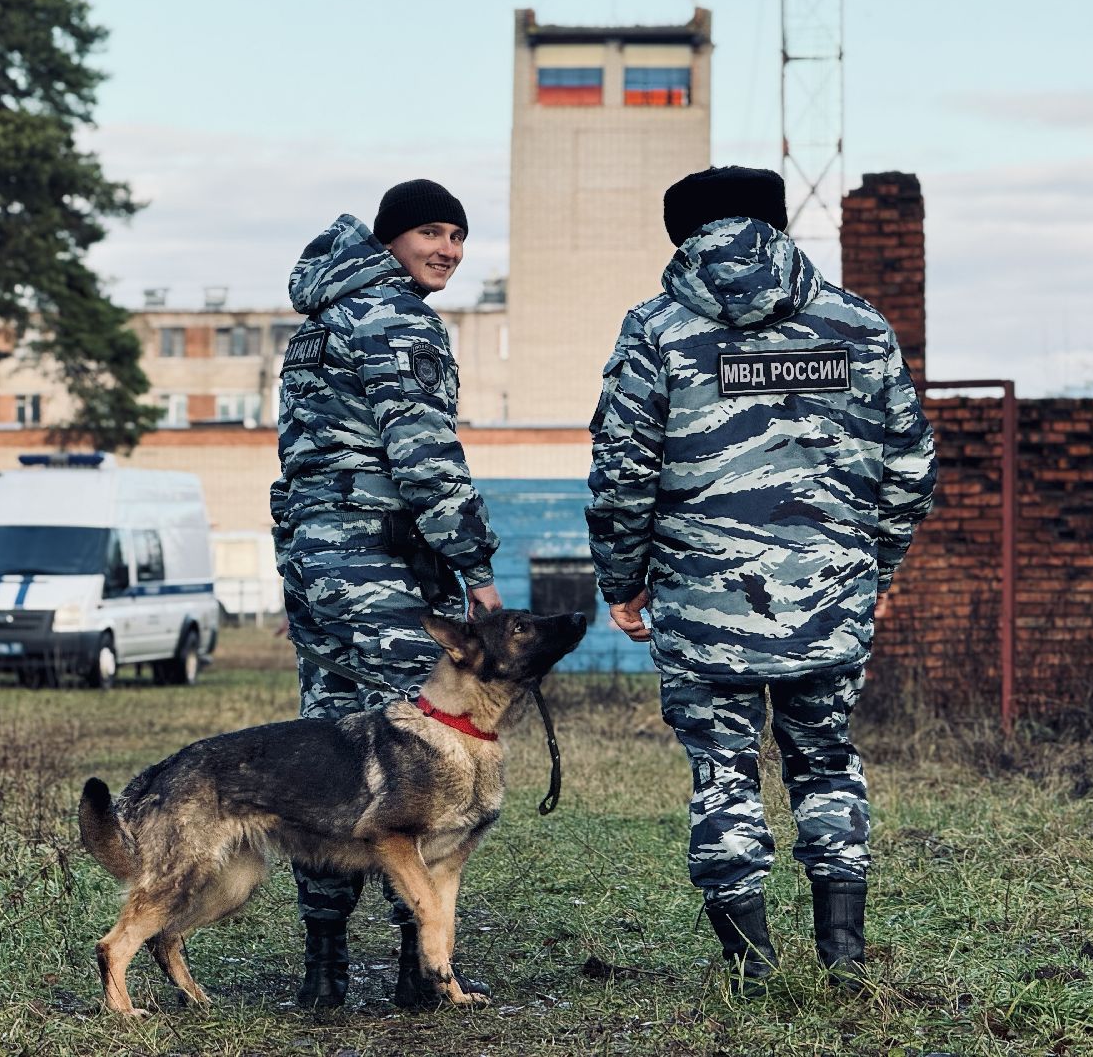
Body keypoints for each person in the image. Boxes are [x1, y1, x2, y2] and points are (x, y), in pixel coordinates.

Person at [585, 166, 937, 995]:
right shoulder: (856, 323)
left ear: (681, 234)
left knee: (724, 771)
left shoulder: (656, 330)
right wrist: (870, 569)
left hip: (703, 605)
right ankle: (844, 958)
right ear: (778, 223)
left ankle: (750, 968)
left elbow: (622, 472)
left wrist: (622, 580)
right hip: (830, 597)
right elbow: (911, 468)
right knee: (825, 760)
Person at [270, 178, 503, 1008]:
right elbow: (425, 457)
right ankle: (420, 965)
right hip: (381, 570)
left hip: (319, 569)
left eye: (458, 236)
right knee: (422, 755)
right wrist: (476, 569)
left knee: (326, 758)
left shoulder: (323, 320)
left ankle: (324, 967)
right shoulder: (396, 319)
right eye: (431, 233)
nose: (448, 250)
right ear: (391, 240)